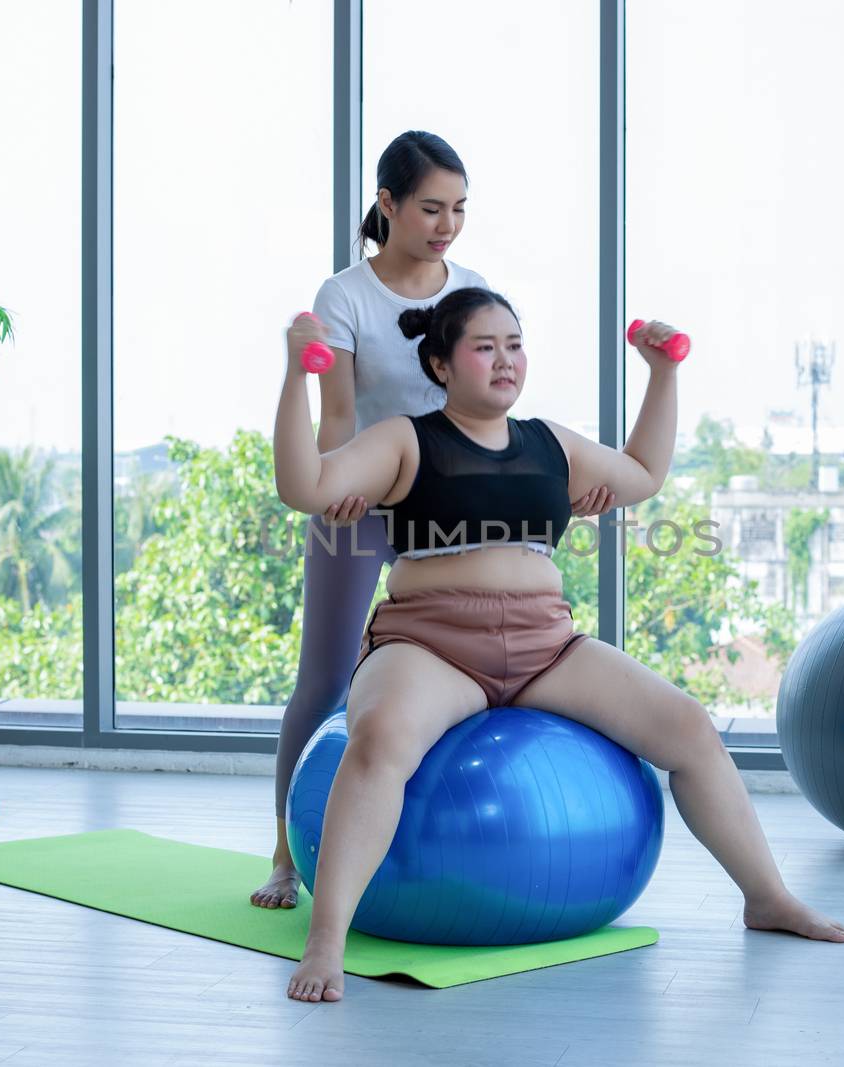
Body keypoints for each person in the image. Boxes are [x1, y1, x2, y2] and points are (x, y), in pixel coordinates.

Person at [272, 286, 844, 1004]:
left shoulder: (551, 442)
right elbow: (306, 485)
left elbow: (642, 473)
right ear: (441, 364)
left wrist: (663, 374)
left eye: (514, 345)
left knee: (689, 727)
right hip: (430, 643)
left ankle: (766, 896)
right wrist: (296, 375)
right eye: (484, 347)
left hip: (546, 642)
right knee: (380, 735)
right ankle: (326, 940)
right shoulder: (404, 438)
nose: (505, 360)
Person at [249, 130, 617, 910]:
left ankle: (423, 834)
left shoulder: (470, 283)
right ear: (387, 205)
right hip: (369, 495)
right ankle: (285, 854)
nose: (447, 224)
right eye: (430, 208)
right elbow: (339, 412)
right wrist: (339, 482)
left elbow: (484, 404)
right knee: (325, 678)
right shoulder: (345, 294)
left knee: (458, 662)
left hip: (457, 503)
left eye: (458, 208)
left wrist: (554, 483)